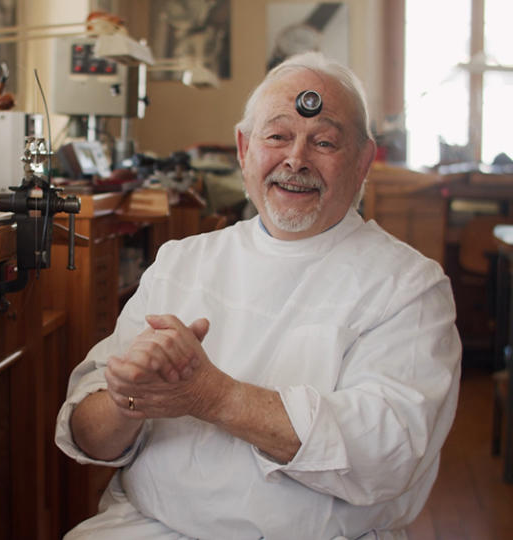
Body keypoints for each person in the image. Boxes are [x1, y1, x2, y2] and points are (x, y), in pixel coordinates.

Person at [54, 52, 461, 540]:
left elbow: (387, 453)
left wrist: (212, 396)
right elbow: (87, 435)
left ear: (363, 162)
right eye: (278, 136)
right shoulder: (180, 262)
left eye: (324, 142)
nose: (295, 159)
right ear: (245, 149)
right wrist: (126, 401)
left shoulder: (408, 287)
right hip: (150, 526)